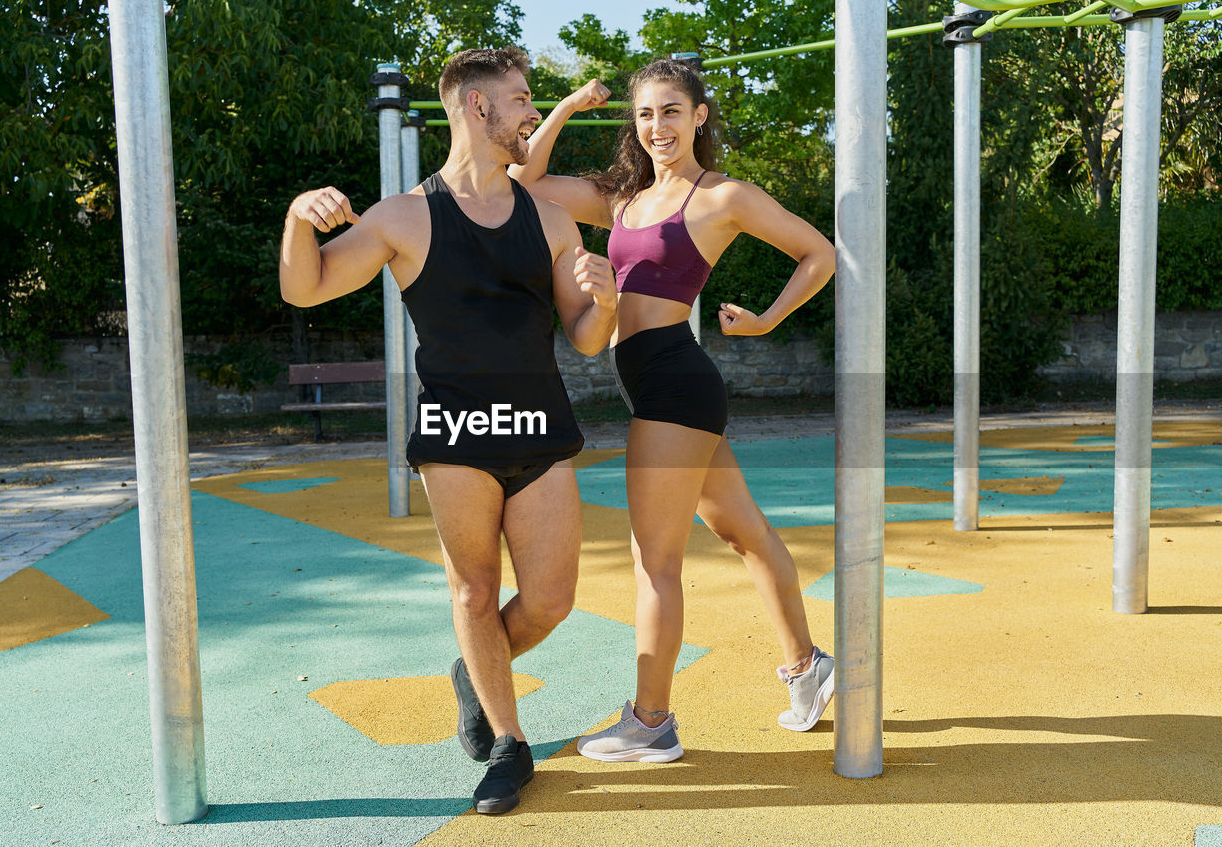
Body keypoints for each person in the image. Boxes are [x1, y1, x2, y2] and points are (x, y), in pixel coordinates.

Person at [280, 47, 617, 811]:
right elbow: (306, 288)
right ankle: (510, 743)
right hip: (455, 433)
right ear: (477, 106)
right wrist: (301, 218)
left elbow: (588, 337)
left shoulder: (552, 219)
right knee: (473, 593)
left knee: (551, 600)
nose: (534, 111)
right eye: (523, 98)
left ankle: (474, 666)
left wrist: (610, 302)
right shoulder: (402, 216)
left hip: (538, 427)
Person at [509, 58, 836, 762]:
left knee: (654, 562)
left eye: (672, 111)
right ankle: (807, 667)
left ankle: (651, 720)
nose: (658, 126)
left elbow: (817, 254)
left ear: (699, 116)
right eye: (646, 113)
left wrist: (768, 320)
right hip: (664, 388)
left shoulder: (723, 197)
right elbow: (524, 182)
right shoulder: (621, 200)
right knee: (744, 534)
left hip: (673, 385)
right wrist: (568, 105)